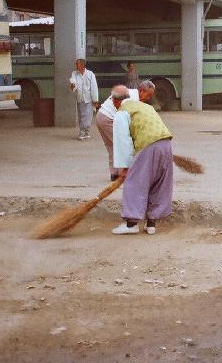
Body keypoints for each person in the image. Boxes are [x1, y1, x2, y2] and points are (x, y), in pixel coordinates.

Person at [111, 82, 174, 235]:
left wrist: (124, 168)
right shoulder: (146, 106)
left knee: (135, 182)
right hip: (166, 144)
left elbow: (122, 142)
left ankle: (131, 223)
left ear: (114, 100)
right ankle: (151, 223)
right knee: (158, 182)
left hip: (148, 145)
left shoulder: (122, 112)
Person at [96, 84, 139, 181]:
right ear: (142, 91)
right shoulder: (132, 98)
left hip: (100, 116)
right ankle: (124, 173)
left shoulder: (132, 92)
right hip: (108, 118)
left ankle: (114, 173)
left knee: (112, 146)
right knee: (122, 146)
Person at [69, 58, 99, 140]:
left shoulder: (90, 74)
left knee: (88, 115)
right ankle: (82, 131)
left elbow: (94, 87)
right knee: (81, 115)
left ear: (82, 65)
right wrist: (73, 86)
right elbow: (73, 82)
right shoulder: (74, 73)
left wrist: (95, 100)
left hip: (88, 98)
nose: (76, 66)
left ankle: (86, 131)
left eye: (77, 64)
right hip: (80, 98)